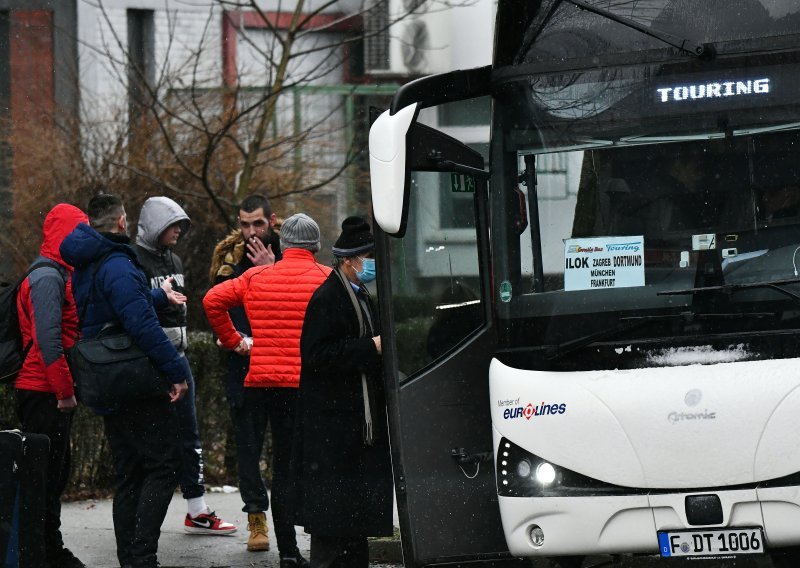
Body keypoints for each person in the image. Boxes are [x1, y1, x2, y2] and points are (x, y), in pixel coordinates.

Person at [60, 193, 190, 568]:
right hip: (135, 379)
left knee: (130, 472)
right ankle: (142, 556)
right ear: (121, 222)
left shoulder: (90, 261)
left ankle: (130, 558)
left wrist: (157, 296)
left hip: (110, 380)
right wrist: (176, 372)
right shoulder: (116, 261)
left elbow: (116, 306)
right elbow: (140, 325)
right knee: (164, 466)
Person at [204, 213, 327, 566]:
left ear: (283, 244)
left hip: (265, 386)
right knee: (314, 464)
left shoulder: (255, 276)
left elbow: (212, 300)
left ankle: (287, 552)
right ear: (316, 247)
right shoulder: (326, 279)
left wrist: (235, 341)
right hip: (309, 386)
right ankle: (321, 545)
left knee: (281, 469)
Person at [292, 216, 394, 568]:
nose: (372, 264)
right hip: (334, 429)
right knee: (334, 526)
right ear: (350, 260)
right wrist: (372, 348)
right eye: (368, 256)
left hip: (350, 427)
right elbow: (317, 356)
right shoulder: (328, 298)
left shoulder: (358, 294)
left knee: (350, 524)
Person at [133, 196, 236, 535]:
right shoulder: (133, 260)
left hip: (179, 357)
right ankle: (139, 514)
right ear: (155, 225)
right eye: (172, 224)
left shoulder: (174, 259)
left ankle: (197, 509)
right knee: (151, 439)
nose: (178, 230)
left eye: (180, 224)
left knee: (189, 435)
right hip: (149, 362)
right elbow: (133, 310)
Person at [14, 203, 88, 568]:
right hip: (43, 393)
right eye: (80, 232)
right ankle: (43, 552)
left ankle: (46, 548)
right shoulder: (47, 278)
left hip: (45, 391)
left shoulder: (59, 273)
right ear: (65, 235)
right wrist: (64, 391)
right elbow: (48, 339)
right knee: (44, 478)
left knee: (52, 475)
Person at [208, 194, 282, 551]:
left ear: (271, 221)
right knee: (249, 450)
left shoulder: (288, 255)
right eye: (244, 224)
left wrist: (270, 270)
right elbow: (215, 306)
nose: (251, 231)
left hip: (283, 368)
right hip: (243, 369)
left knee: (287, 449)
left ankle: (288, 517)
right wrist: (231, 340)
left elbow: (301, 303)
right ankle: (257, 520)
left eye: (258, 223)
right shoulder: (227, 259)